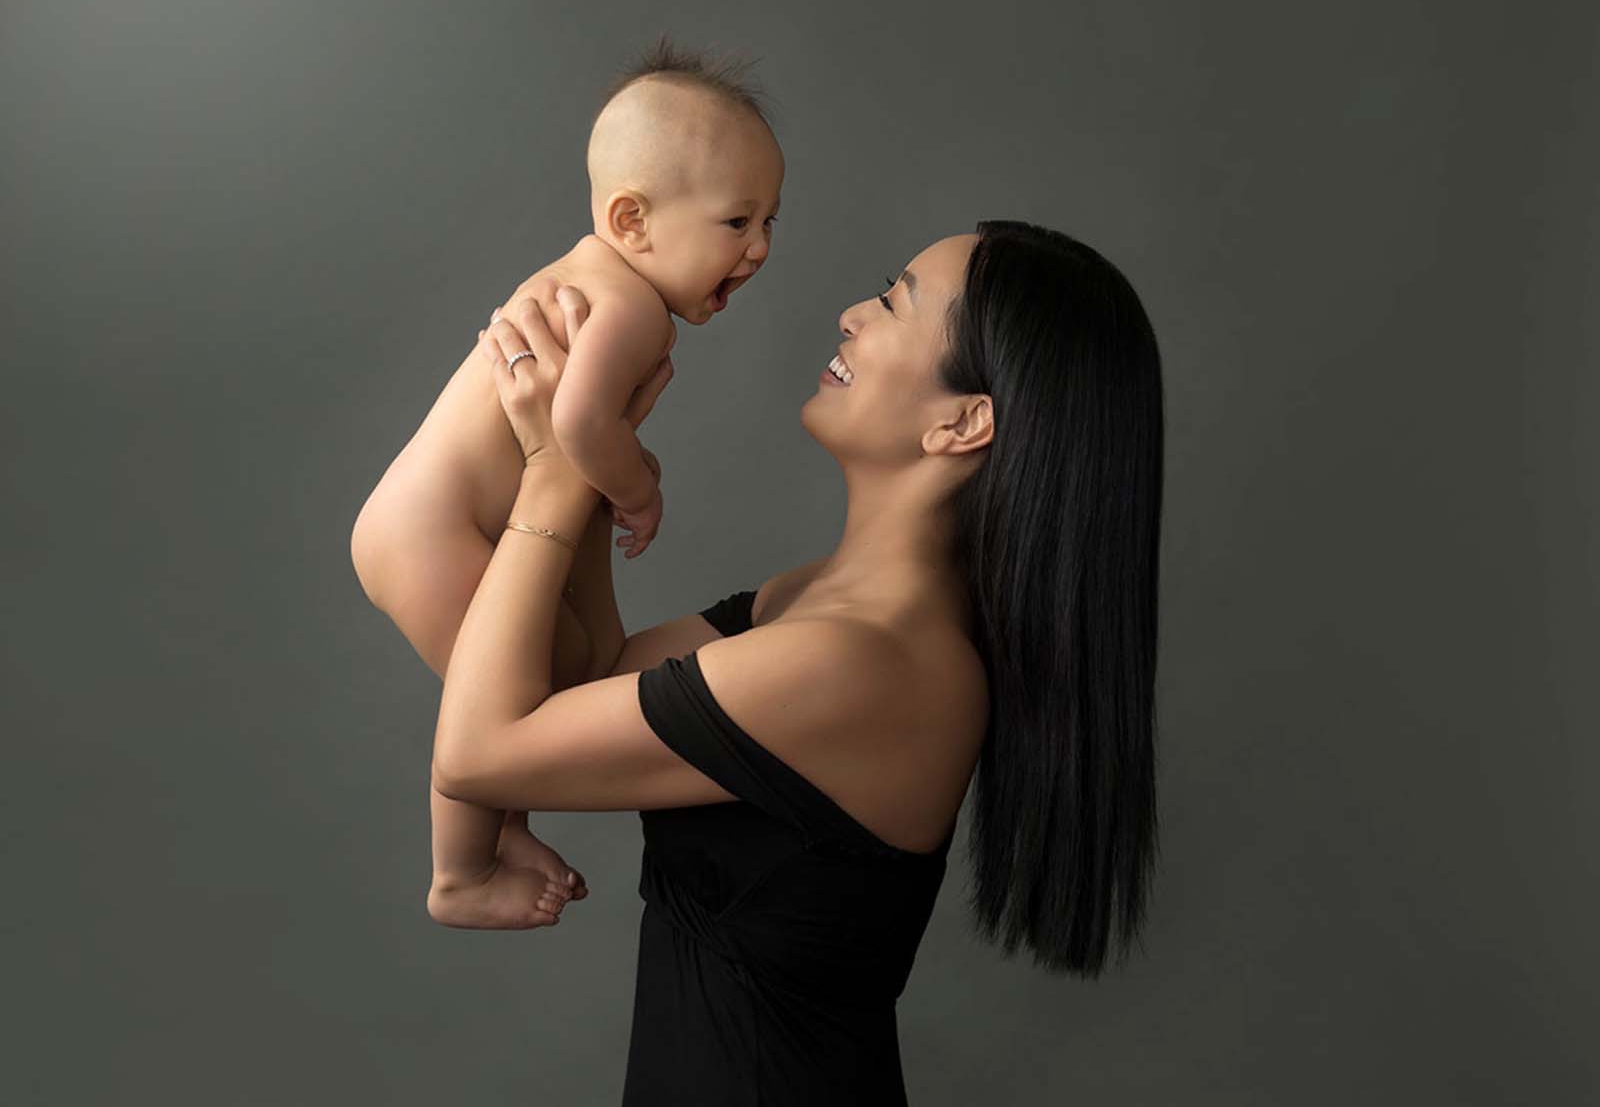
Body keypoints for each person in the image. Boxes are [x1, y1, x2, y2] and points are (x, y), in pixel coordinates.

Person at [350, 221, 1166, 1103]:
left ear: (963, 423)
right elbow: (577, 693)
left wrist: (555, 471)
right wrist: (587, 454)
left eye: (896, 303)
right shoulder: (810, 605)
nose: (854, 313)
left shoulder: (869, 663)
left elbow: (480, 754)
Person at [353, 39, 782, 923]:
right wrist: (640, 488)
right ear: (633, 222)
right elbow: (579, 425)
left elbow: (574, 428)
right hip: (434, 534)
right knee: (510, 707)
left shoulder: (594, 278)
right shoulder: (633, 311)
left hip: (424, 522)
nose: (761, 249)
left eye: (772, 222)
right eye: (737, 223)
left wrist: (620, 463)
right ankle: (461, 873)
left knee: (554, 675)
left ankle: (497, 831)